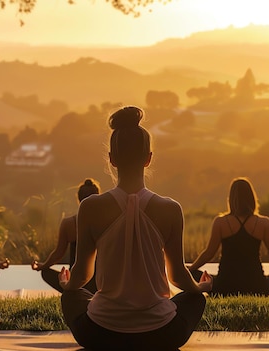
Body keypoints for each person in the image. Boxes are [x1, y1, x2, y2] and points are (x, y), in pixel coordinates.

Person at [58, 106, 212, 351]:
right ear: (148, 158)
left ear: (112, 159)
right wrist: (201, 287)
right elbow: (177, 276)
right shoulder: (170, 209)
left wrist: (66, 283)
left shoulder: (90, 207)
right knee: (194, 299)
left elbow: (82, 276)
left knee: (71, 297)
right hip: (161, 335)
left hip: (99, 334)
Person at [188, 177, 269, 297]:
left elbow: (209, 253)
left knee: (194, 274)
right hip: (257, 286)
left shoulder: (220, 222)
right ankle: (260, 292)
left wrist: (191, 268)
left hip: (224, 287)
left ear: (231, 199)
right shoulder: (264, 223)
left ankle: (216, 288)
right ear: (252, 198)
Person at [32, 178, 100, 293]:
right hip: (101, 282)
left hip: (76, 282)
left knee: (46, 273)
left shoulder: (69, 223)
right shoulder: (105, 222)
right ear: (97, 197)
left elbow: (58, 254)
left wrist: (43, 266)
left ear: (78, 199)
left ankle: (71, 292)